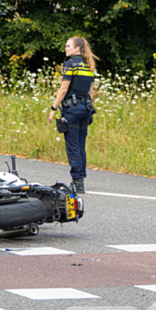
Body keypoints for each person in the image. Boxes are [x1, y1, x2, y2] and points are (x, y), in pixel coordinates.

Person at [47, 37, 98, 194]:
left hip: (72, 109)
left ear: (77, 49)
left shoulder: (70, 64)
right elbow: (91, 91)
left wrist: (53, 107)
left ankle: (77, 182)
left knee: (73, 145)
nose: (66, 49)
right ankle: (80, 178)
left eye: (68, 46)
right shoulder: (89, 65)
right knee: (81, 145)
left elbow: (64, 89)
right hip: (85, 108)